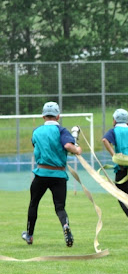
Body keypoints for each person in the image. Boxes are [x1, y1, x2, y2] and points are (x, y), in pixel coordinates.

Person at [21, 101, 83, 246]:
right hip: (58, 175)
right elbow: (68, 145)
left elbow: (36, 145)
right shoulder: (61, 130)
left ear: (43, 116)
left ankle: (29, 235)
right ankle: (65, 227)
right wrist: (77, 150)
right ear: (58, 116)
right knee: (60, 207)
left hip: (41, 174)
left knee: (33, 204)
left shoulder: (36, 132)